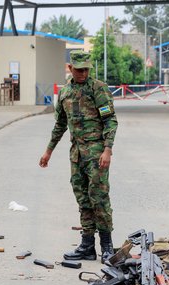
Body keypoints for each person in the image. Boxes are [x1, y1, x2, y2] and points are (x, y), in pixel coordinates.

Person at [39, 50, 118, 263]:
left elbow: (110, 120)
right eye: (78, 69)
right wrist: (48, 151)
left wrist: (107, 149)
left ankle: (107, 246)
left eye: (86, 69)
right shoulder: (65, 93)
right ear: (70, 68)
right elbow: (60, 125)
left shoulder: (98, 89)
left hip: (96, 154)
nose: (82, 73)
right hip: (76, 155)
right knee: (83, 199)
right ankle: (87, 245)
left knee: (99, 199)